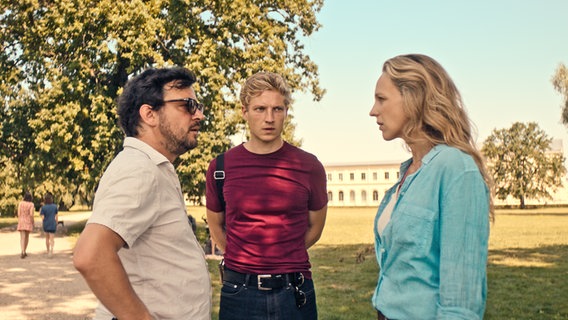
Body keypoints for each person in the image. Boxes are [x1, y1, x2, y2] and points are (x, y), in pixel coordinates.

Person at [73, 67, 211, 320]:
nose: (199, 115)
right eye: (188, 105)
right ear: (149, 114)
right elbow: (90, 255)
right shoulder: (140, 169)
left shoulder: (153, 167)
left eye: (199, 105)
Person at [369, 54, 493, 320]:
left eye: (381, 99)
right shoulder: (409, 172)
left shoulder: (457, 170)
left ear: (414, 97)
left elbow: (461, 303)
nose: (373, 110)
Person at [205, 71, 328, 320]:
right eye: (260, 109)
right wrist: (247, 256)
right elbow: (216, 227)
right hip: (239, 292)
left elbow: (315, 227)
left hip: (295, 291)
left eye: (277, 109)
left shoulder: (309, 166)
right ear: (244, 112)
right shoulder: (220, 168)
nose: (269, 118)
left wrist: (282, 253)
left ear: (286, 112)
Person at [16, 191, 35, 259]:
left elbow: (18, 213)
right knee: (27, 237)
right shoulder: (31, 204)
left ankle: (22, 251)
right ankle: (25, 251)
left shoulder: (20, 203)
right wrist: (33, 222)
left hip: (21, 221)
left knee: (22, 237)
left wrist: (21, 218)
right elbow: (31, 214)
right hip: (28, 221)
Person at [39, 192, 58, 258]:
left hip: (46, 224)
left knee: (47, 238)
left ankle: (48, 251)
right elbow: (56, 216)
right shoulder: (55, 207)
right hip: (52, 223)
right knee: (52, 238)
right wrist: (56, 223)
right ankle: (52, 251)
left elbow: (42, 217)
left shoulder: (43, 208)